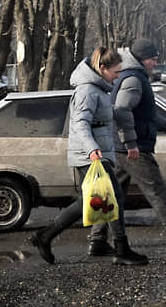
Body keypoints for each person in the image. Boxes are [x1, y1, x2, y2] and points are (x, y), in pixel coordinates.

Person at [30, 47, 148, 266]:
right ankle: (120, 249)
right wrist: (93, 149)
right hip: (90, 155)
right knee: (106, 199)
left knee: (107, 200)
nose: (118, 75)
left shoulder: (99, 88)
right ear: (102, 69)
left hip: (96, 152)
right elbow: (80, 124)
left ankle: (46, 236)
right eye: (115, 71)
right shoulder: (87, 91)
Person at [87, 38, 166, 256]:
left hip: (119, 145)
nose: (155, 63)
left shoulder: (133, 76)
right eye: (152, 59)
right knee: (156, 190)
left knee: (111, 194)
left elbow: (146, 112)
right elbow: (121, 110)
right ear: (142, 59)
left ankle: (97, 239)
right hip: (134, 148)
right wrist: (131, 143)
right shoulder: (133, 79)